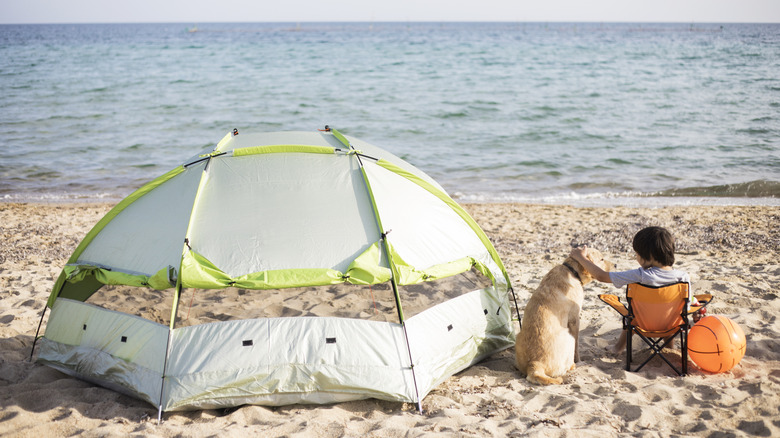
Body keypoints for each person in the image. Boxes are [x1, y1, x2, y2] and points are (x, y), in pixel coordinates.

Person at [569, 226, 695, 353]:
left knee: (632, 314)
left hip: (641, 324)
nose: (636, 257)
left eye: (637, 254)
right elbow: (687, 306)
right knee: (669, 309)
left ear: (649, 257)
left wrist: (581, 258)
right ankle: (669, 348)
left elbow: (602, 276)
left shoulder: (641, 275)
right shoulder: (683, 277)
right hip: (672, 326)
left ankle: (618, 347)